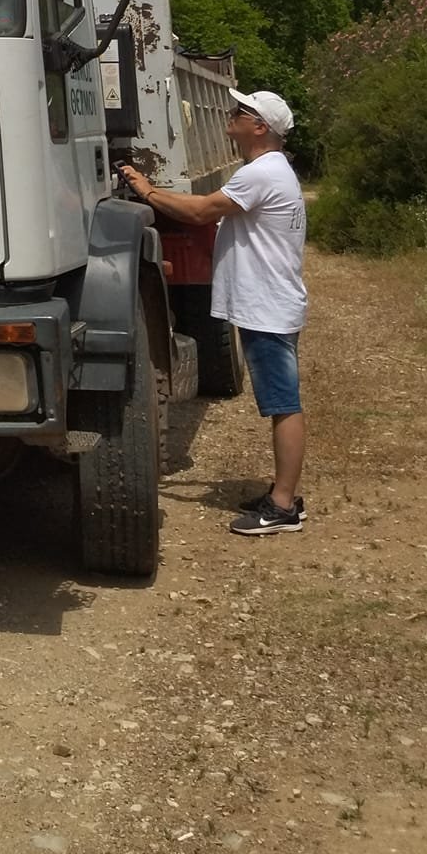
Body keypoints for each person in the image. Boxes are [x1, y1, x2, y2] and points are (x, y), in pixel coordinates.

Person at [120, 88, 307, 536]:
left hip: (267, 307)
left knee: (283, 405)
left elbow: (201, 211)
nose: (231, 114)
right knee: (281, 402)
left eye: (240, 111)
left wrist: (146, 189)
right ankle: (283, 496)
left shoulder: (261, 173)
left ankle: (283, 506)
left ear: (259, 127)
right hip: (272, 303)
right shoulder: (270, 170)